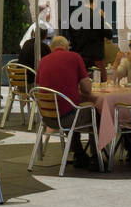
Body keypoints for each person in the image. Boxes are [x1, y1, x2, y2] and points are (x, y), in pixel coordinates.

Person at [36, 35, 97, 168]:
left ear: (51, 49)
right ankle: (96, 156)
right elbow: (87, 90)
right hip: (67, 118)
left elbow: (40, 85)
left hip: (47, 118)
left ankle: (79, 154)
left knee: (71, 108)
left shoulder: (43, 61)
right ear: (66, 47)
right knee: (95, 111)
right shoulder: (75, 57)